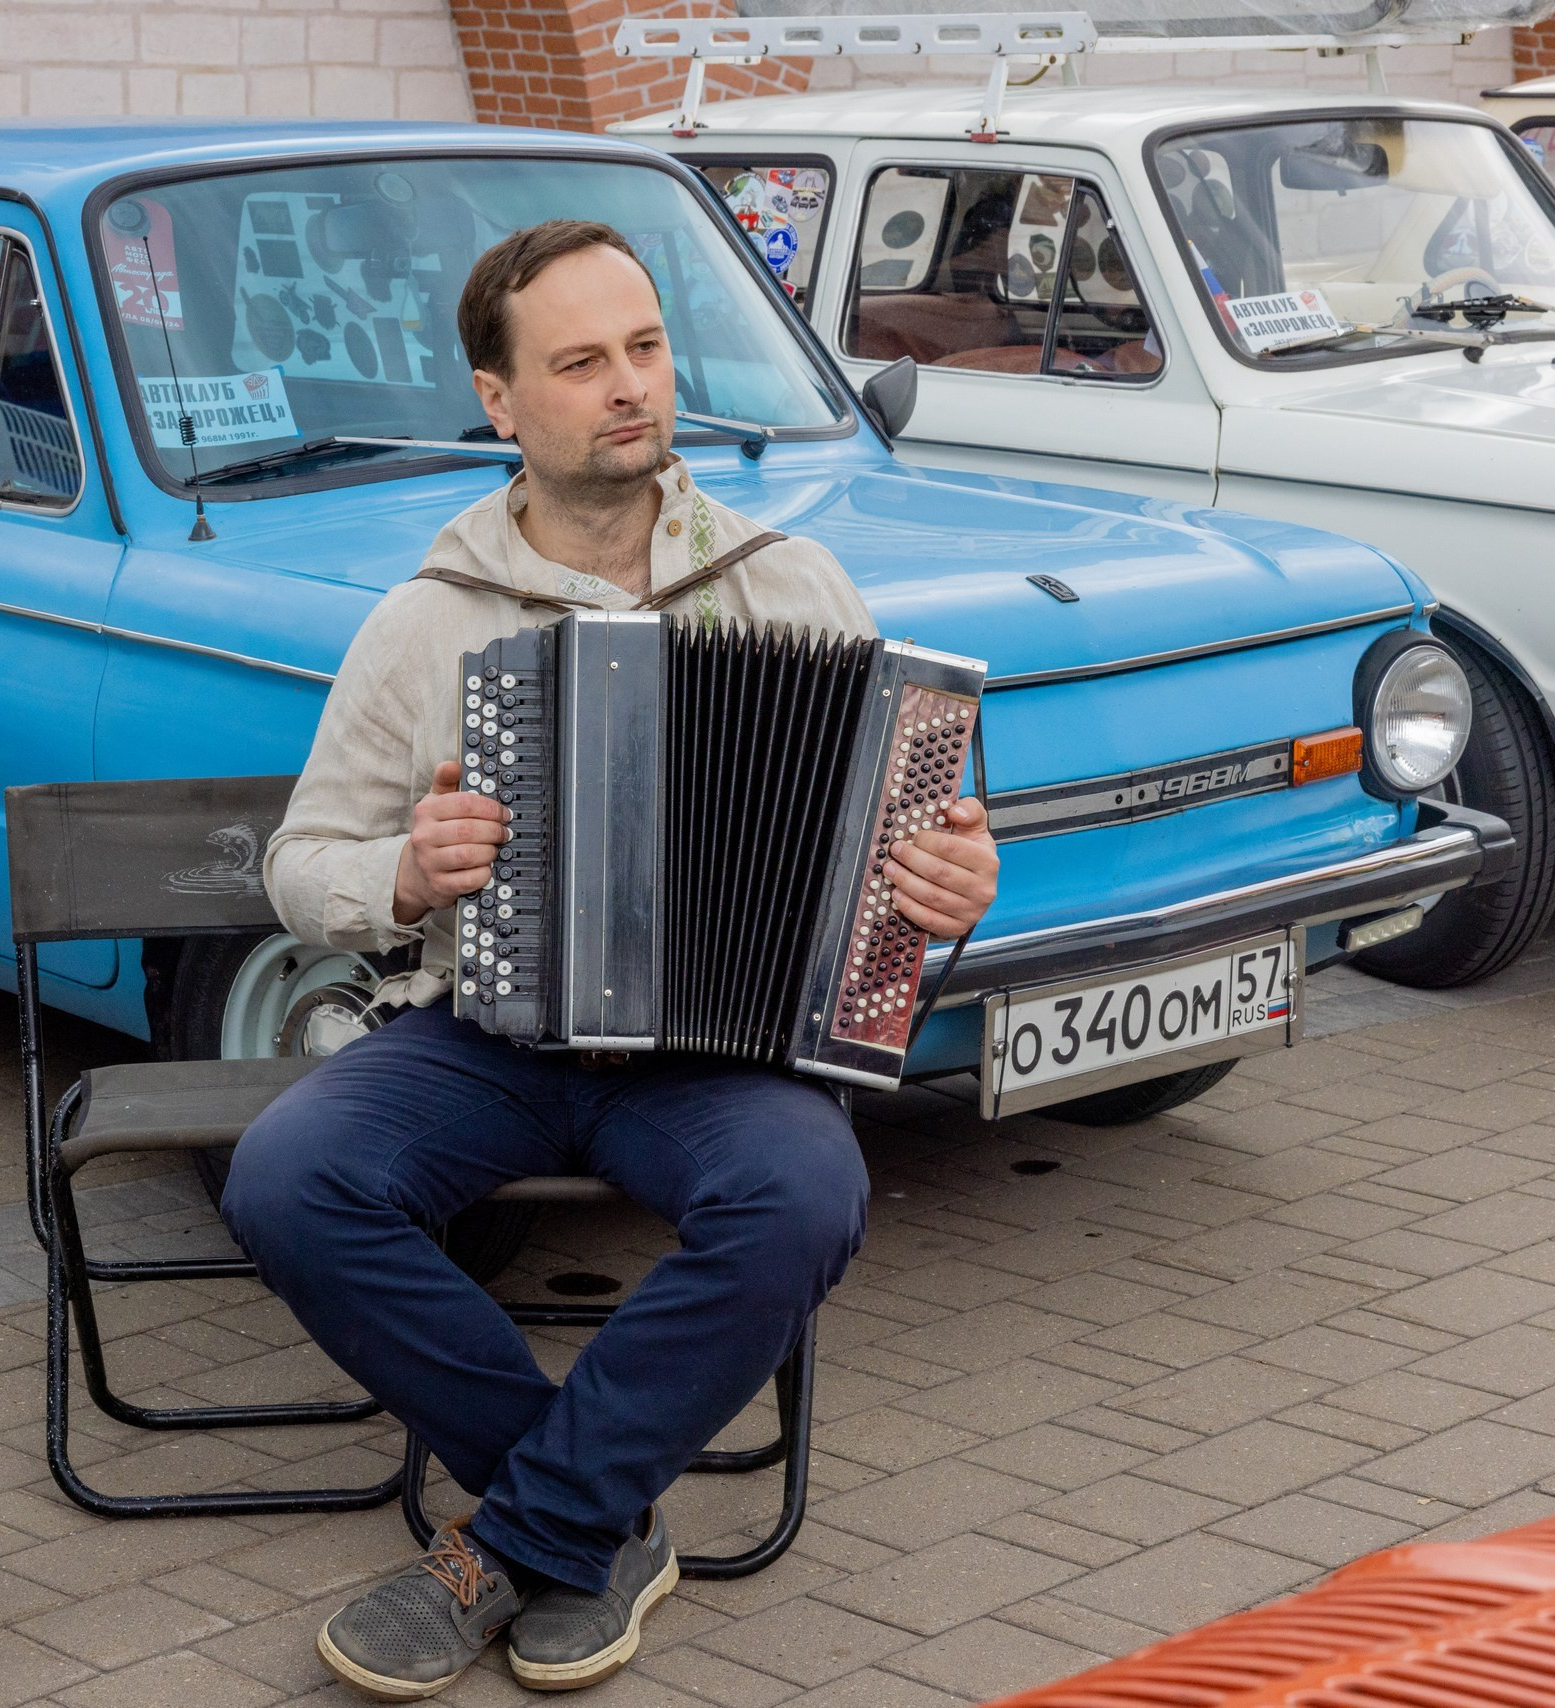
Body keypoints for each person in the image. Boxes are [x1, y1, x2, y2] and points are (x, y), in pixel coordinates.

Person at [219, 220, 1000, 1702]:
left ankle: (513, 1543)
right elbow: (298, 867)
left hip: (713, 1060)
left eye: (644, 349)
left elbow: (914, 857)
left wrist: (956, 882)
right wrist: (404, 871)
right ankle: (594, 1526)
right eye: (579, 363)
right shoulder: (424, 622)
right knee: (289, 1180)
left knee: (809, 1192)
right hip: (483, 1041)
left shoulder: (793, 586)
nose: (629, 386)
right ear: (501, 402)